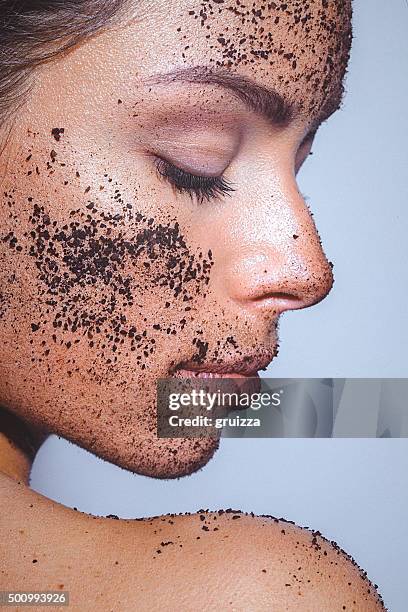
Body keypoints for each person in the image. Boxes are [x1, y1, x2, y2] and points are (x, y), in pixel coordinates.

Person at [0, 1, 386, 609]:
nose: (306, 272)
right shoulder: (248, 595)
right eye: (194, 166)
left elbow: (362, 411)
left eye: (301, 163)